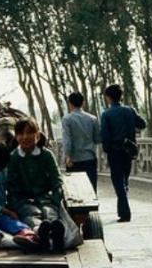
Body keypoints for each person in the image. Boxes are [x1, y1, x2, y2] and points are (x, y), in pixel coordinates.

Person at [7, 117, 82, 252]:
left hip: (45, 197)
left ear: (37, 135)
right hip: (23, 201)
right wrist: (15, 203)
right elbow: (10, 185)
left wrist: (56, 196)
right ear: (16, 136)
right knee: (31, 214)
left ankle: (57, 233)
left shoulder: (46, 155)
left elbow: (56, 178)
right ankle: (40, 232)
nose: (25, 137)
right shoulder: (13, 158)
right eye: (21, 133)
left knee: (50, 212)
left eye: (29, 133)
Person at [100, 84, 147, 223]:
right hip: (129, 150)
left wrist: (107, 150)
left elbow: (105, 136)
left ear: (108, 97)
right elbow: (142, 124)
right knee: (124, 179)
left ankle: (125, 212)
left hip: (115, 152)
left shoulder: (106, 114)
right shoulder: (129, 110)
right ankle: (124, 209)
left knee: (118, 181)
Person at [62, 92, 102, 192]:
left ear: (70, 103)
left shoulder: (67, 119)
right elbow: (97, 139)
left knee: (75, 192)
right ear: (83, 103)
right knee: (91, 190)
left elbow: (67, 140)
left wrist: (67, 156)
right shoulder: (93, 119)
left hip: (74, 160)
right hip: (90, 158)